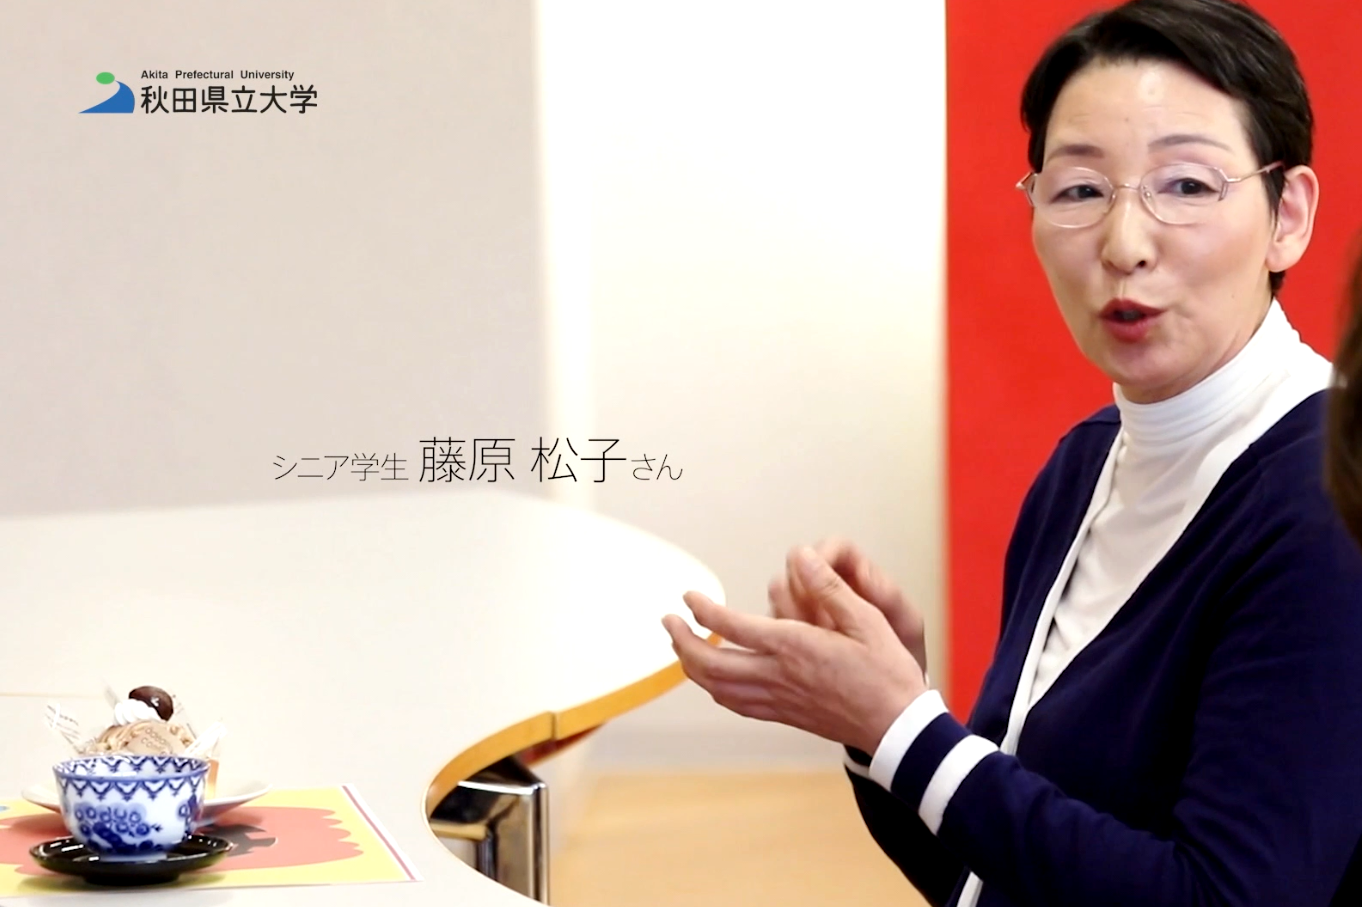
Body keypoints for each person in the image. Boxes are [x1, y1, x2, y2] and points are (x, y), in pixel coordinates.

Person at [661, 1, 1362, 905]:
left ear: (1287, 215)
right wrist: (881, 713)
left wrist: (906, 728)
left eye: (1187, 185)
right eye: (1079, 190)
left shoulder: (1330, 505)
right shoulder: (1082, 469)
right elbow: (990, 874)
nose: (1124, 244)